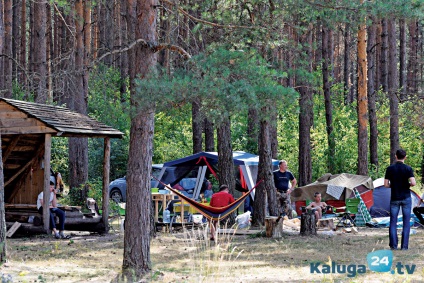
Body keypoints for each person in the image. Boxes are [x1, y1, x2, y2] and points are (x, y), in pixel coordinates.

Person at [384, 149, 416, 250]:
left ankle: (393, 245)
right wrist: (407, 185)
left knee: (393, 222)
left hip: (394, 198)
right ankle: (404, 247)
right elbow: (413, 183)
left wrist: (393, 186)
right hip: (406, 197)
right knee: (406, 223)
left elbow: (385, 184)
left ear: (395, 156)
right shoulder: (408, 168)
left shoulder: (390, 169)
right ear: (405, 157)